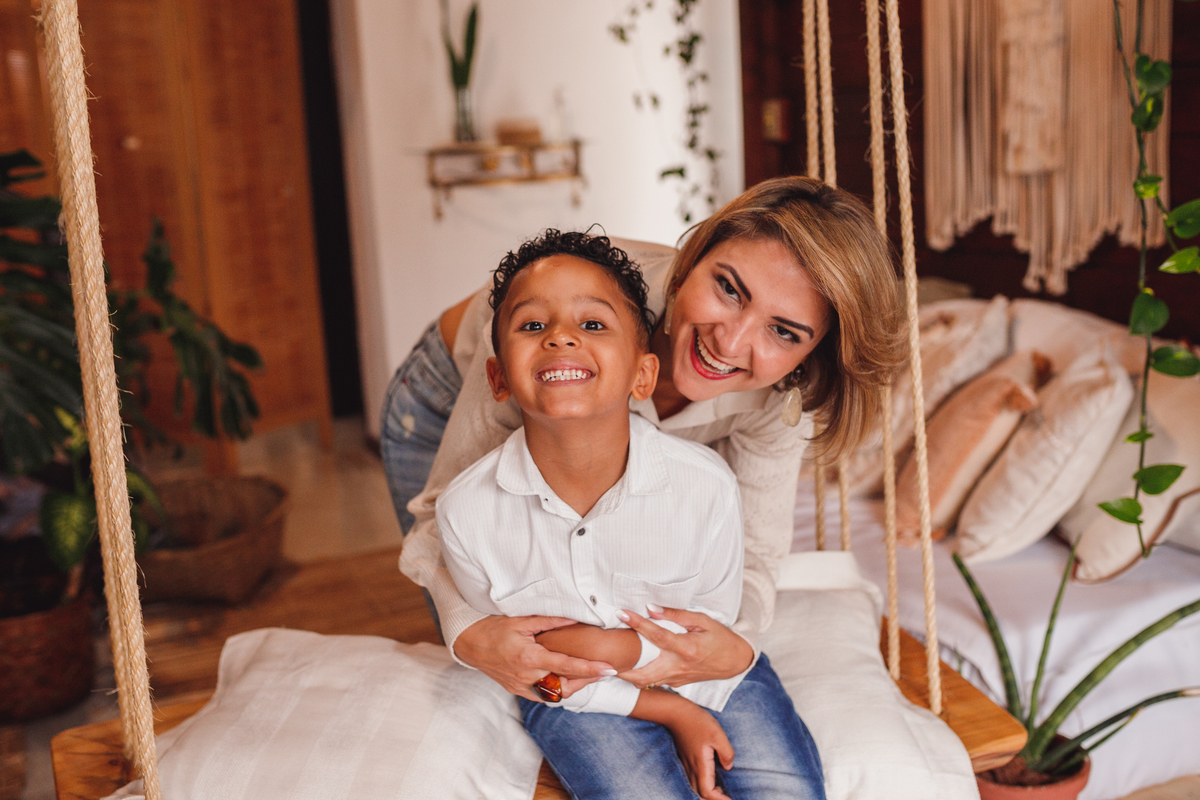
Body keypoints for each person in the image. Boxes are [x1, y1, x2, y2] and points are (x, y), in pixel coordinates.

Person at [385, 177, 906, 791]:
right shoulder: (567, 334)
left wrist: (730, 649)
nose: (731, 340)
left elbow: (756, 562)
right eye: (728, 289)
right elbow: (440, 528)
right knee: (505, 611)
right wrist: (469, 634)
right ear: (692, 261)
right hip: (447, 391)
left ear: (810, 355)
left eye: (784, 332)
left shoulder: (773, 406)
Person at [434, 233, 825, 800]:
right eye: (533, 326)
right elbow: (530, 659)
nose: (562, 336)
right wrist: (667, 709)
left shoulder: (706, 487)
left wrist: (624, 655)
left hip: (698, 668)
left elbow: (710, 627)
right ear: (497, 380)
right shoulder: (468, 511)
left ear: (643, 378)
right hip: (573, 693)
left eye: (591, 326)